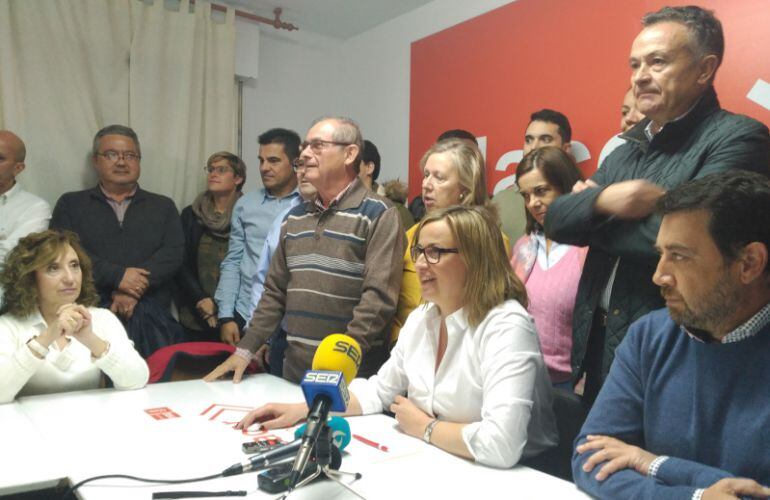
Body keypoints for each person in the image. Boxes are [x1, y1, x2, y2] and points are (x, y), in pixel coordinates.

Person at [545, 5, 770, 402]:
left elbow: (691, 244)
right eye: (635, 65)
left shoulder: (739, 138)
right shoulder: (627, 149)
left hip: (680, 348)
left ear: (704, 69)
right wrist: (613, 200)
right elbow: (558, 221)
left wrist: (594, 213)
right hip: (597, 341)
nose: (640, 76)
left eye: (658, 62)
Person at [237, 206, 557, 469]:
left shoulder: (507, 325)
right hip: (442, 462)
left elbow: (502, 445)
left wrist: (424, 427)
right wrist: (308, 409)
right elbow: (379, 390)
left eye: (435, 253)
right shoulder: (422, 319)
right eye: (418, 251)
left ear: (475, 258)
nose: (418, 264)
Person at [572, 171, 770, 498]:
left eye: (679, 256)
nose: (659, 275)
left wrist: (654, 464)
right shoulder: (651, 336)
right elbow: (591, 457)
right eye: (661, 253)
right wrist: (693, 496)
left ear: (749, 263)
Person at [205, 116, 404, 384]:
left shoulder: (379, 214)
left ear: (350, 153)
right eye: (305, 147)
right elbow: (274, 293)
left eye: (317, 146)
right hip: (293, 372)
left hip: (350, 377)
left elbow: (378, 301)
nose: (305, 154)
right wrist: (245, 349)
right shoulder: (294, 218)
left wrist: (339, 361)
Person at [51, 125, 185, 357]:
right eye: (111, 154)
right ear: (96, 160)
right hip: (88, 316)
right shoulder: (71, 204)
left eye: (130, 155)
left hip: (152, 317)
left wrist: (133, 289)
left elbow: (173, 253)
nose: (121, 162)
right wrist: (117, 277)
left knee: (155, 384)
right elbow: (63, 252)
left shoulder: (163, 205)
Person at [0, 230, 149, 403]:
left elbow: (137, 379)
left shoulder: (102, 318)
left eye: (74, 265)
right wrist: (47, 337)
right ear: (29, 278)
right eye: (53, 268)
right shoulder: (8, 326)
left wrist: (90, 339)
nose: (70, 278)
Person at [391, 138, 509, 344]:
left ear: (465, 187)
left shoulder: (491, 240)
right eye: (426, 175)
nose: (427, 185)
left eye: (439, 178)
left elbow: (493, 304)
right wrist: (397, 340)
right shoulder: (410, 235)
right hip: (407, 348)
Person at [215, 129, 301, 346]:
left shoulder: (308, 205)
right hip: (245, 315)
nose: (264, 168)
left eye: (273, 161)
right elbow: (233, 261)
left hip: (290, 319)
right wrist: (226, 315)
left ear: (295, 163)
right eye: (261, 160)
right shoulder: (246, 204)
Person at [511, 147, 586, 389]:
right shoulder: (524, 248)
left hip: (573, 387)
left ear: (566, 186)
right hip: (523, 379)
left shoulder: (590, 248)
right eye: (525, 195)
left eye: (541, 191)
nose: (533, 203)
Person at [246, 161, 317, 376]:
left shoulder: (366, 215)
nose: (303, 173)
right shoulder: (287, 218)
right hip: (282, 336)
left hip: (330, 343)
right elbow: (264, 280)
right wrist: (258, 335)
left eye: (311, 166)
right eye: (300, 166)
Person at [175, 152, 245, 340]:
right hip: (196, 312)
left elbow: (250, 266)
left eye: (221, 170)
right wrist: (200, 299)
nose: (213, 174)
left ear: (238, 178)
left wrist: (220, 305)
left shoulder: (249, 214)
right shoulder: (191, 215)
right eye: (211, 169)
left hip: (237, 314)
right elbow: (181, 263)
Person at [494, 110, 573, 247]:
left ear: (566, 149)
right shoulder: (500, 202)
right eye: (528, 140)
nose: (534, 147)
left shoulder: (584, 197)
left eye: (545, 139)